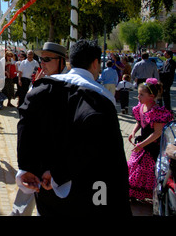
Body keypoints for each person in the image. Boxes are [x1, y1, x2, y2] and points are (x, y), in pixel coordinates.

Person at [17, 39, 131, 216]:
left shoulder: (40, 90)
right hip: (86, 192)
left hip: (44, 187)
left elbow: (25, 126)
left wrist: (26, 167)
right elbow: (105, 154)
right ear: (95, 63)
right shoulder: (101, 99)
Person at [11, 42, 67, 216]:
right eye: (41, 59)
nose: (42, 63)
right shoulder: (40, 81)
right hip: (35, 158)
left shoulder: (70, 87)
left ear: (62, 62)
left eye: (47, 59)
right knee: (23, 203)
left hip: (57, 163)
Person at [128, 78, 173, 201]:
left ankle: (144, 193)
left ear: (151, 96)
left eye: (141, 94)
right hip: (142, 143)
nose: (138, 97)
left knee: (146, 169)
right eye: (138, 93)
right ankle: (134, 192)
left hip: (152, 146)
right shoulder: (140, 107)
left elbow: (157, 133)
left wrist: (142, 145)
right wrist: (133, 131)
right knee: (133, 165)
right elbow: (140, 122)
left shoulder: (157, 112)